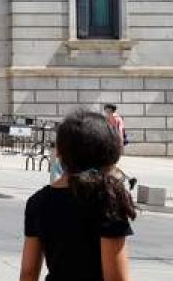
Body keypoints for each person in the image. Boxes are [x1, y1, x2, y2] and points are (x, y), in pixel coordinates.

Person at [20, 109, 136, 281]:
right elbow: (116, 277)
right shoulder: (107, 198)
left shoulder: (37, 201)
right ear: (108, 153)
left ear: (59, 153)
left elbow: (28, 273)